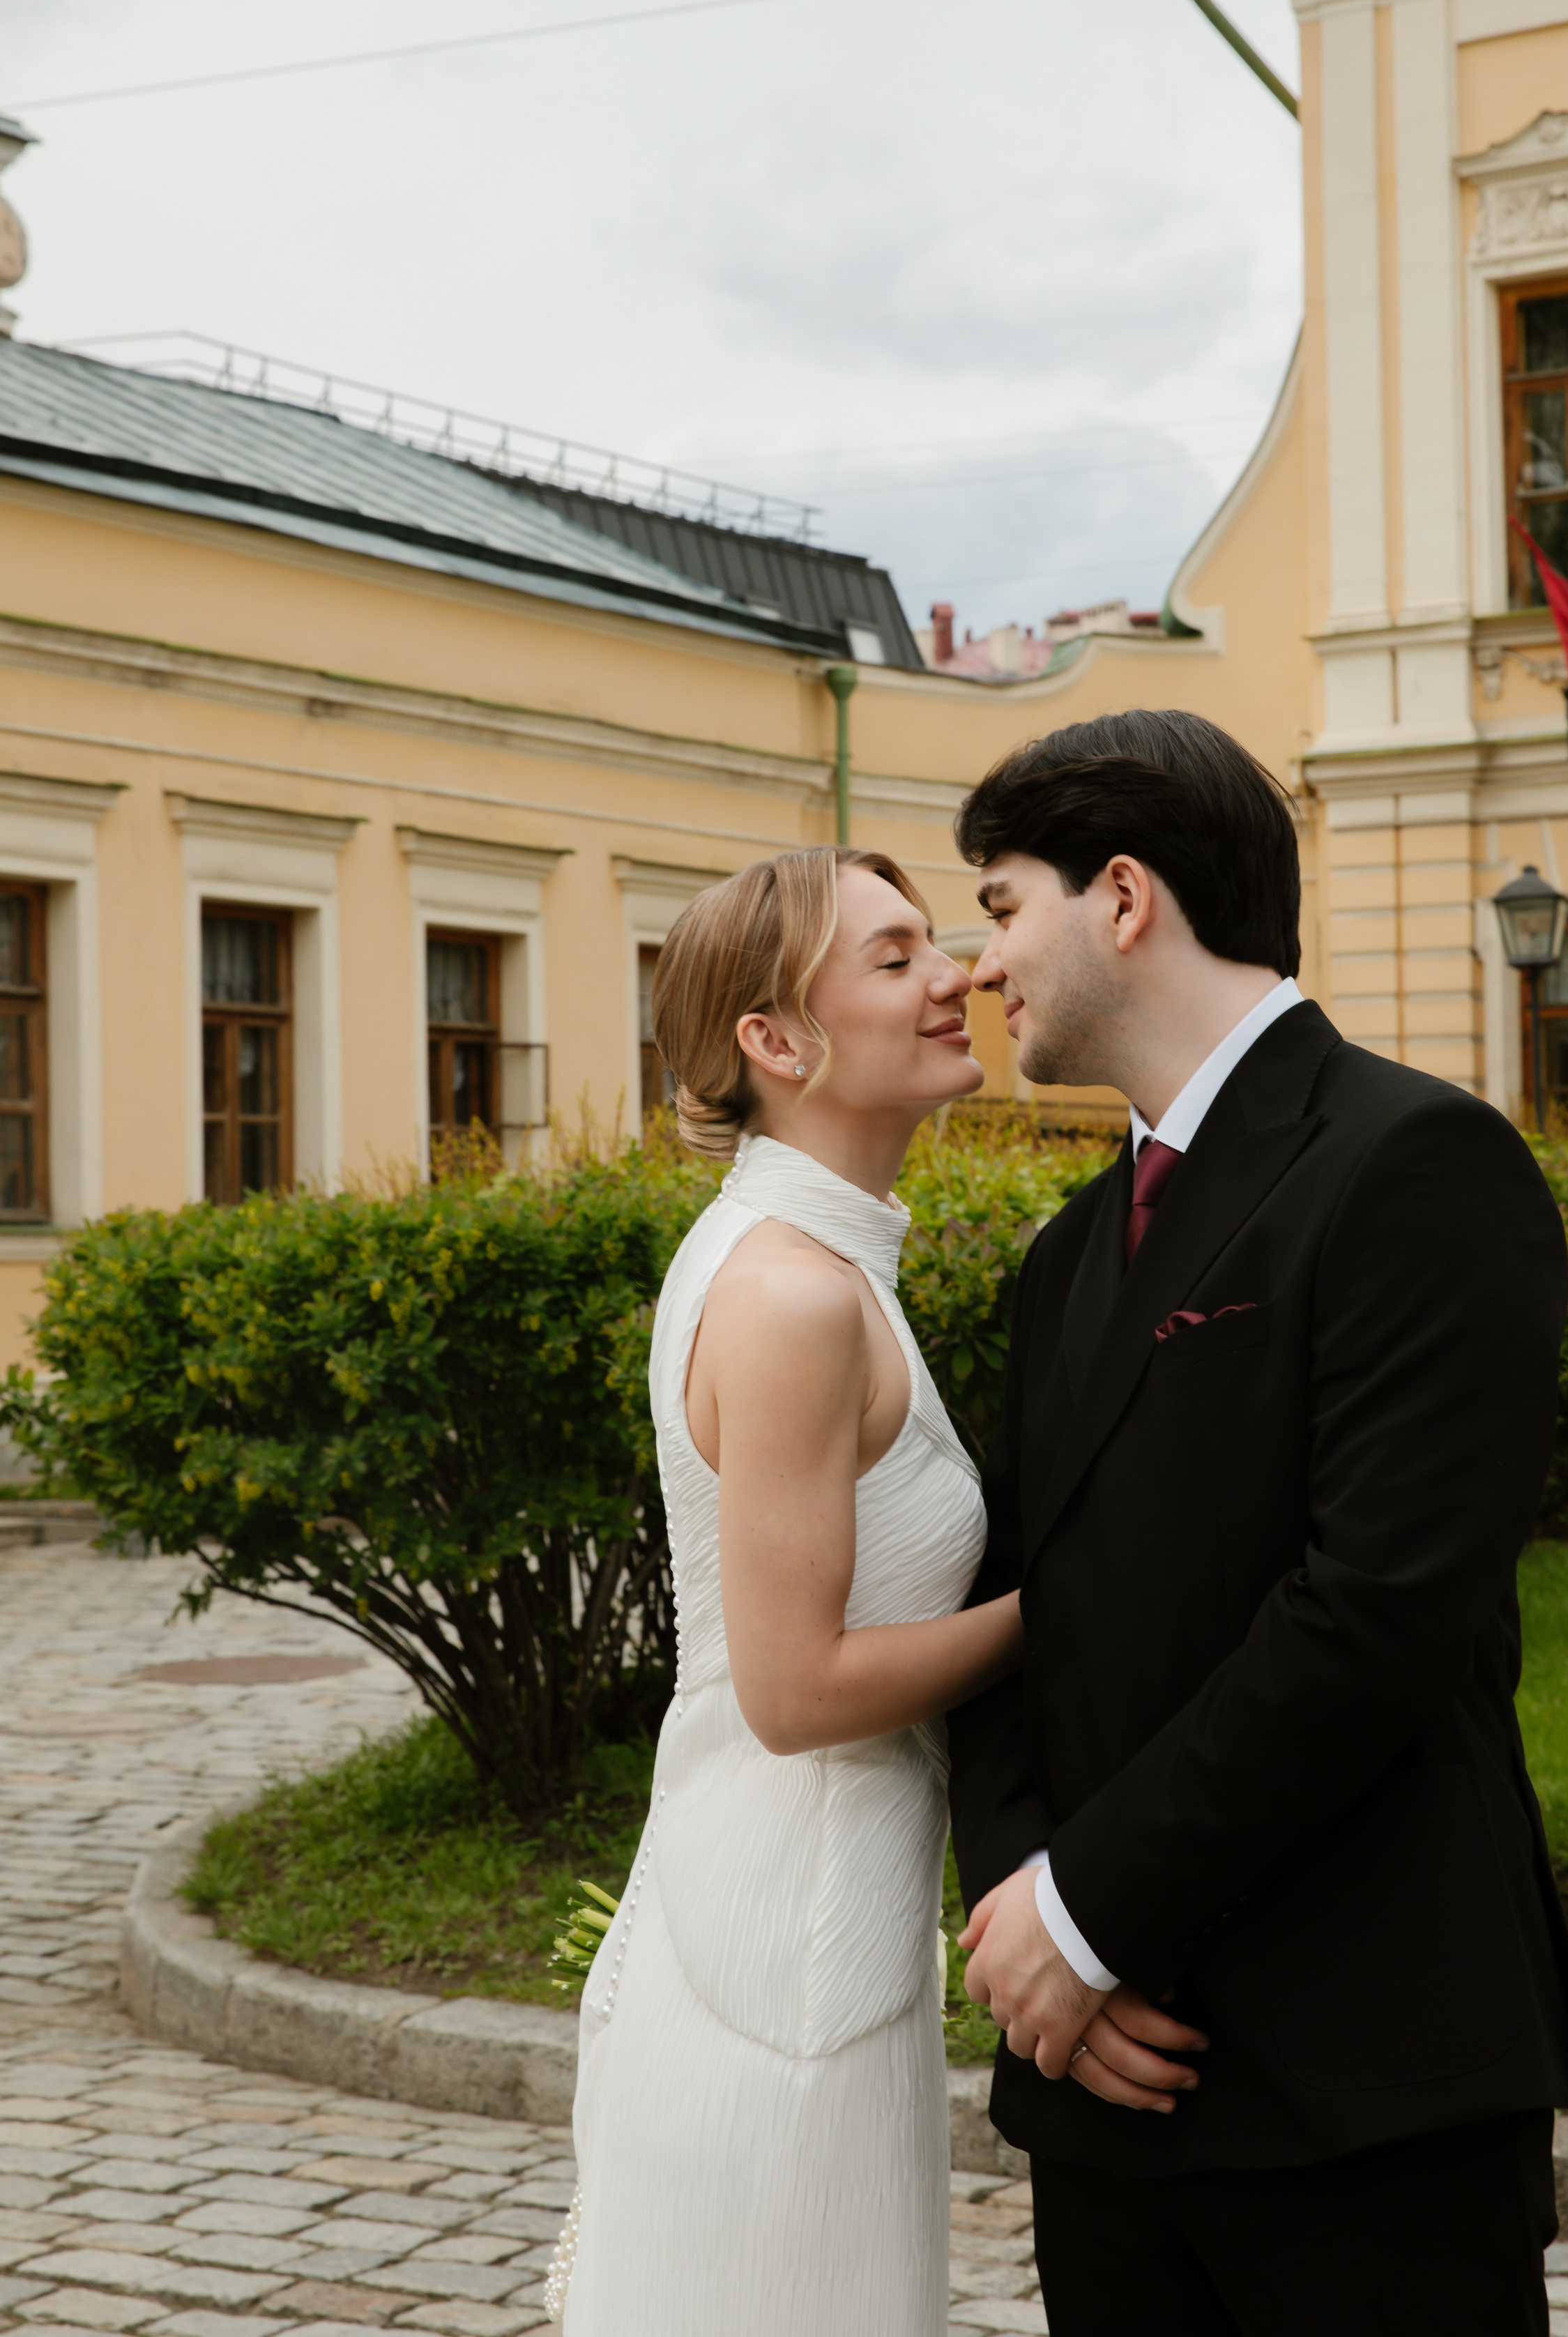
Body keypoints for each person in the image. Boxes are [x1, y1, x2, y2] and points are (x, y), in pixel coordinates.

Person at [947, 708, 1568, 2337]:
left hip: (1357, 2079)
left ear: (1120, 897)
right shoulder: (1066, 1251)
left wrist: (1088, 1912)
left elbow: (1374, 1611)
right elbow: (1011, 1606)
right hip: (1102, 2085)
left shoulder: (1413, 1162)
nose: (981, 965)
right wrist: (1031, 1912)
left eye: (999, 903)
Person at [558, 844, 1018, 2337]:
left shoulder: (812, 1260)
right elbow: (796, 1689)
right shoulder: (791, 1293)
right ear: (774, 1040)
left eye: (937, 944)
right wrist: (1074, 1601)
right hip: (784, 1959)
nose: (953, 975)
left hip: (793, 1918)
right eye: (893, 960)